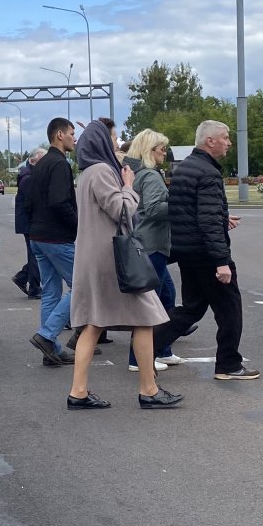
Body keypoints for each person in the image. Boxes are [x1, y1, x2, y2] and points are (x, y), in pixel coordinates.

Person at [65, 122, 181, 410]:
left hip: (95, 256)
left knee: (93, 323)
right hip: (112, 259)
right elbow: (122, 210)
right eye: (113, 139)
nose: (117, 145)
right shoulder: (103, 172)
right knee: (145, 317)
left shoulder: (86, 173)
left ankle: (78, 392)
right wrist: (129, 187)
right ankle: (148, 390)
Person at [170, 120, 258, 380]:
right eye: (226, 137)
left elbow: (189, 212)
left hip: (187, 251)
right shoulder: (207, 173)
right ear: (210, 141)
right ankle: (229, 365)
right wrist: (221, 261)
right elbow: (206, 221)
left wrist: (222, 219)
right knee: (230, 308)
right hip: (207, 254)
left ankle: (144, 347)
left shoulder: (185, 168)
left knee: (191, 308)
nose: (229, 142)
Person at [123, 130, 185, 372]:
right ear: (149, 150)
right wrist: (181, 204)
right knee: (151, 303)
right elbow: (154, 209)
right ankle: (137, 358)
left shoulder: (138, 174)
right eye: (161, 148)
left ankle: (162, 348)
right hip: (152, 245)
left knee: (166, 296)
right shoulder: (150, 176)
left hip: (146, 244)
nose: (164, 152)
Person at [26, 118, 79, 366]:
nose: (74, 138)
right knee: (81, 287)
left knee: (51, 292)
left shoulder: (41, 163)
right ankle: (47, 336)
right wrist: (77, 224)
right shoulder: (59, 164)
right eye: (71, 133)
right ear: (59, 135)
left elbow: (29, 200)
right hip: (56, 237)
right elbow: (60, 202)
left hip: (37, 235)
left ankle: (52, 350)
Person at [10, 147, 45, 298]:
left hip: (29, 221)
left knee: (36, 253)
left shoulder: (30, 174)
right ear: (32, 161)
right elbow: (31, 202)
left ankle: (23, 277)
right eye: (42, 161)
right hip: (30, 222)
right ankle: (34, 288)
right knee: (35, 255)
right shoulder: (28, 177)